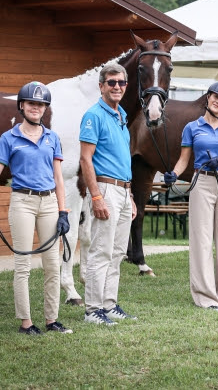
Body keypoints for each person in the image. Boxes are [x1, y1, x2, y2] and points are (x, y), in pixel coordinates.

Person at [0, 81, 72, 335]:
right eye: (31, 103)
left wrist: (63, 211)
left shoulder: (52, 137)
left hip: (48, 202)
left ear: (45, 108)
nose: (36, 108)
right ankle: (26, 322)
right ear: (22, 106)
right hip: (22, 202)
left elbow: (58, 179)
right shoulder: (8, 138)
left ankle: (51, 320)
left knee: (52, 264)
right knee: (22, 264)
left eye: (41, 104)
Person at [163, 81, 218, 310]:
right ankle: (205, 296)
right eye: (215, 96)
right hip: (202, 182)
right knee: (202, 240)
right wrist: (173, 174)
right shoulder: (192, 127)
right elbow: (184, 159)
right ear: (208, 97)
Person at [79, 62, 138, 325]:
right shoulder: (94, 115)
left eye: (121, 83)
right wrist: (96, 196)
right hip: (105, 189)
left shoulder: (121, 115)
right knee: (101, 251)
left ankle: (109, 304)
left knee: (117, 253)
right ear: (101, 86)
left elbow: (122, 160)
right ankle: (93, 309)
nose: (117, 87)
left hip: (124, 191)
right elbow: (85, 159)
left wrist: (131, 196)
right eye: (111, 82)